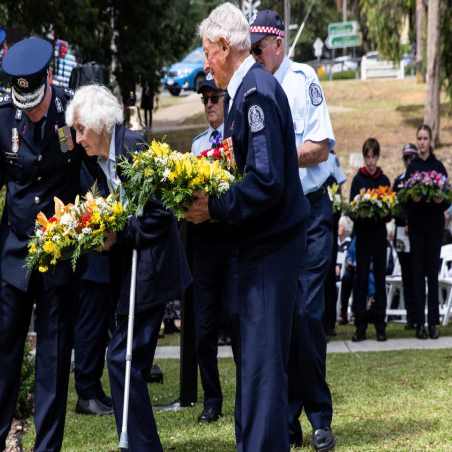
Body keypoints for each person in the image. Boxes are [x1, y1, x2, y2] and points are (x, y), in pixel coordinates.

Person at [0, 37, 90, 452]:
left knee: (52, 361)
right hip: (15, 254)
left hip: (59, 256)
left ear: (49, 79)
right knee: (3, 358)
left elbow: (89, 172)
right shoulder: (2, 117)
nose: (29, 110)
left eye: (36, 101)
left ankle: (46, 448)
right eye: (23, 102)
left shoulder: (72, 112)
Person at [184, 4, 310, 450]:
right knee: (257, 366)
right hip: (259, 248)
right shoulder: (248, 92)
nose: (204, 63)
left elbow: (267, 182)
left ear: (224, 46)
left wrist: (213, 208)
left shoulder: (255, 93)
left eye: (206, 52)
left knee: (260, 367)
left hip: (270, 248)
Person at [65, 83, 192, 451]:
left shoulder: (133, 147)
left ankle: (141, 444)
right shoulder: (102, 158)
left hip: (153, 269)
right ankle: (140, 443)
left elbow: (160, 213)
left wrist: (120, 235)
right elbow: (113, 207)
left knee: (121, 357)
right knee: (124, 359)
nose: (77, 138)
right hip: (134, 272)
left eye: (80, 130)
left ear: (100, 124)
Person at [249, 9, 336, 451]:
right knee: (280, 321)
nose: (255, 55)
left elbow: (320, 149)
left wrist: (278, 155)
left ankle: (319, 414)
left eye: (259, 48)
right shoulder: (251, 88)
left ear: (278, 44)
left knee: (304, 312)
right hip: (276, 218)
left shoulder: (303, 81)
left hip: (313, 211)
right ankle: (285, 421)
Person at [189, 73, 237, 423]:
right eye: (204, 98)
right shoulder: (196, 146)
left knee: (237, 321)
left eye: (214, 97)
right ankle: (212, 399)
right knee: (203, 327)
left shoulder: (238, 141)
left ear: (226, 100)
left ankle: (248, 395)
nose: (208, 104)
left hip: (234, 239)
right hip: (204, 241)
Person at [73, 166, 114, 416]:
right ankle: (86, 393)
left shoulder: (94, 163)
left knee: (99, 330)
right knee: (89, 328)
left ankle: (94, 387)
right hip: (90, 258)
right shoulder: (81, 162)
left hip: (101, 259)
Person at [405, 124, 451, 339]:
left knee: (432, 276)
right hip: (416, 228)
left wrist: (439, 201)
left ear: (430, 141)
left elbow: (446, 199)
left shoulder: (438, 167)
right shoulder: (412, 167)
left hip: (433, 229)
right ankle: (419, 323)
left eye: (425, 138)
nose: (422, 142)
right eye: (419, 138)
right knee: (417, 276)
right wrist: (413, 201)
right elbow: (404, 200)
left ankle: (433, 323)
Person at [349, 138, 391, 343]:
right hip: (363, 238)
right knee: (361, 281)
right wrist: (360, 214)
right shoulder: (358, 180)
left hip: (379, 237)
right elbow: (351, 209)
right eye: (367, 157)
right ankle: (361, 326)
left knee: (380, 282)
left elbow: (391, 211)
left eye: (374, 157)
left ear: (378, 157)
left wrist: (384, 213)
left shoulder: (384, 180)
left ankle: (381, 327)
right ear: (364, 157)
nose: (371, 161)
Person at [392, 143, 419, 329]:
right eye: (406, 158)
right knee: (406, 277)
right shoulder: (399, 181)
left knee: (418, 275)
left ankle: (419, 316)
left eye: (412, 158)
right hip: (402, 233)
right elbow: (395, 207)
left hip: (417, 232)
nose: (409, 161)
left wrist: (412, 221)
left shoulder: (420, 180)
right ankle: (411, 317)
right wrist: (405, 220)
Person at [323, 150, 347, 336]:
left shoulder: (332, 157)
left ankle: (329, 322)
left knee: (329, 274)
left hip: (329, 226)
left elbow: (338, 189)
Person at [335, 216, 353, 324]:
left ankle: (343, 311)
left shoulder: (349, 243)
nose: (338, 228)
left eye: (340, 226)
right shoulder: (335, 242)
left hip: (344, 272)